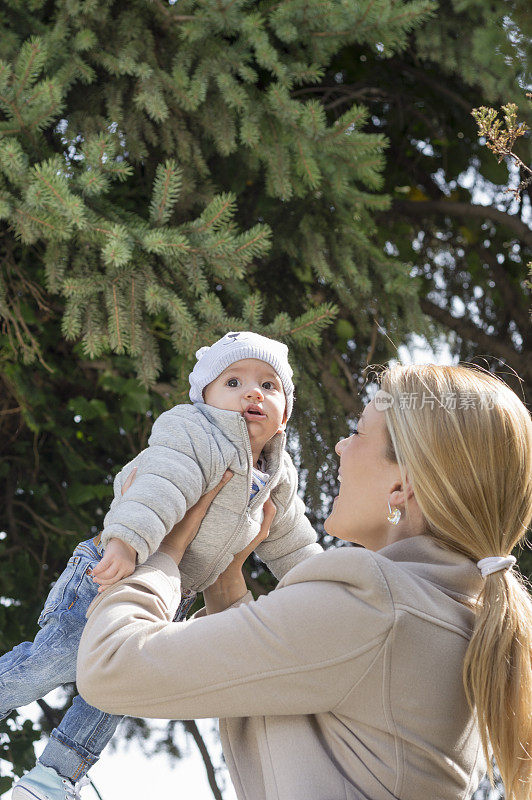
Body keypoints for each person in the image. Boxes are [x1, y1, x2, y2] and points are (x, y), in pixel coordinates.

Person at [77, 364, 532, 800]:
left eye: (357, 433)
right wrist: (225, 579)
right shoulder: (452, 614)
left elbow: (109, 667)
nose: (339, 446)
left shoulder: (374, 602)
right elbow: (301, 685)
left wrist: (162, 550)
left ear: (401, 487)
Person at [1, 331, 322, 800]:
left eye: (269, 385)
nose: (253, 392)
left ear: (284, 415)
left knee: (116, 686)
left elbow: (294, 544)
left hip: (165, 595)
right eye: (233, 381)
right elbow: (160, 484)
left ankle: (54, 778)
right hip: (113, 569)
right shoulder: (194, 432)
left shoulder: (277, 476)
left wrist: (325, 591)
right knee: (56, 660)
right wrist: (128, 541)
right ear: (205, 397)